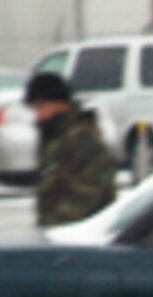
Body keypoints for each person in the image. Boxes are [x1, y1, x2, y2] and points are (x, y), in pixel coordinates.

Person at [24, 73, 116, 227]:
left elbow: (86, 193)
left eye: (41, 107)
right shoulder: (54, 136)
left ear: (59, 103)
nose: (38, 116)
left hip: (82, 232)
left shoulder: (81, 138)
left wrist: (57, 227)